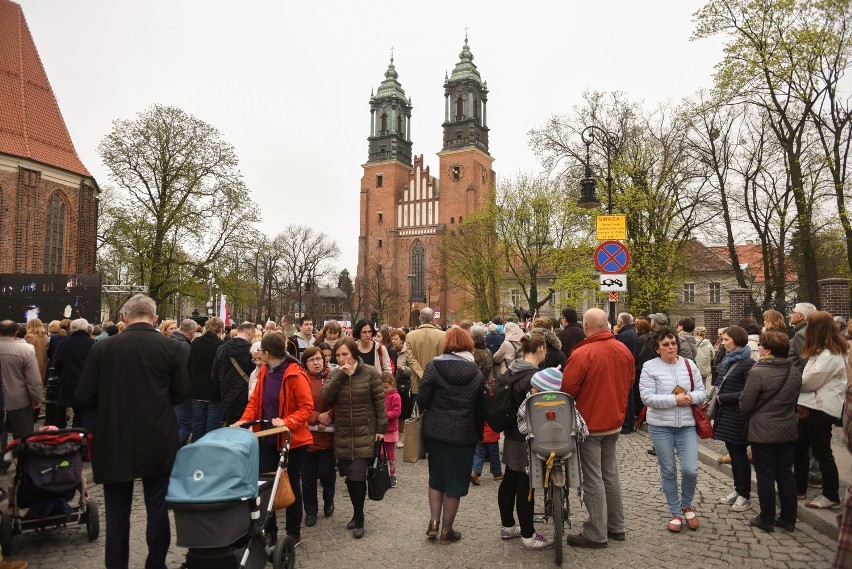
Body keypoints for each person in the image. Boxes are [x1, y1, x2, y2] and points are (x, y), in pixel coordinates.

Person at [75, 294, 190, 569]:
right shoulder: (170, 347)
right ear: (155, 318)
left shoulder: (103, 348)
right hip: (158, 436)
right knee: (158, 508)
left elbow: (83, 396)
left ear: (124, 318)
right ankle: (156, 564)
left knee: (116, 513)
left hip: (114, 438)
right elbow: (182, 393)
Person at [561, 308, 634, 548]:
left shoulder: (582, 353)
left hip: (590, 423)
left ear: (586, 326)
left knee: (593, 478)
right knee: (610, 474)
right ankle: (616, 526)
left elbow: (568, 390)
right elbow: (630, 381)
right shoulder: (623, 350)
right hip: (614, 421)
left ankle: (596, 532)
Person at [233, 332, 313, 546]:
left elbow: (306, 408)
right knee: (267, 486)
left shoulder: (295, 374)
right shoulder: (266, 371)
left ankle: (293, 533)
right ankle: (271, 532)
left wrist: (287, 421)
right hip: (267, 438)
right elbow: (255, 402)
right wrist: (243, 421)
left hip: (292, 440)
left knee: (291, 485)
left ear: (267, 353)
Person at [418, 327, 484, 544]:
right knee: (455, 482)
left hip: (436, 430)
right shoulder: (476, 372)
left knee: (436, 478)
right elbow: (479, 408)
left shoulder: (433, 366)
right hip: (463, 433)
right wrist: (478, 433)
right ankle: (447, 530)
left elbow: (423, 400)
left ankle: (433, 523)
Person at [639, 327, 705, 533]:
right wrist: (673, 399)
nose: (671, 347)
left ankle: (687, 505)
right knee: (668, 470)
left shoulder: (689, 364)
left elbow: (702, 392)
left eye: (673, 343)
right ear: (657, 348)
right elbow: (647, 397)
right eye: (666, 344)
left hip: (686, 425)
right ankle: (676, 511)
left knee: (690, 470)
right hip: (660, 426)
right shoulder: (650, 367)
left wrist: (690, 398)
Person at [321, 337, 386, 539]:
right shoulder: (334, 374)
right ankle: (357, 512)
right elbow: (326, 397)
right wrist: (340, 376)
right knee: (349, 477)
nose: (341, 359)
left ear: (353, 354)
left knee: (358, 475)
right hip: (343, 433)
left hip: (364, 431)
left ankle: (359, 518)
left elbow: (379, 403)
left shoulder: (370, 373)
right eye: (338, 355)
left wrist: (381, 428)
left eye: (345, 354)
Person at [739, 330, 802, 532]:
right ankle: (788, 519)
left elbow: (745, 405)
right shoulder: (794, 371)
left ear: (767, 350)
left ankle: (766, 518)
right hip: (787, 429)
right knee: (785, 474)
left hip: (763, 431)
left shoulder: (758, 372)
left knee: (765, 475)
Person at [497, 330, 554, 550]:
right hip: (527, 435)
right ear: (541, 349)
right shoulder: (536, 376)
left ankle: (508, 526)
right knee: (526, 485)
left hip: (511, 433)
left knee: (510, 478)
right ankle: (529, 535)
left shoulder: (513, 369)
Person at [795, 310, 848, 509]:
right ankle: (798, 488)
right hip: (811, 406)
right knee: (800, 449)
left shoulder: (831, 354)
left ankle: (831, 494)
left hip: (820, 408)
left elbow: (809, 382)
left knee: (821, 451)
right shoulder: (821, 351)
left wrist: (793, 382)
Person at [713, 325, 756, 512]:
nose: (723, 342)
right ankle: (738, 490)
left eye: (726, 339)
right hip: (726, 414)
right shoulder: (728, 360)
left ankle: (745, 495)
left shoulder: (748, 363)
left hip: (737, 415)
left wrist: (723, 398)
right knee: (733, 454)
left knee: (739, 456)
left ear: (737, 341)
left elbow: (748, 392)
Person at [300, 346, 335, 528]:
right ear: (305, 363)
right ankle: (311, 510)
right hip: (307, 437)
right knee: (308, 477)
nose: (316, 362)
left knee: (327, 473)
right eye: (312, 359)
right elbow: (296, 405)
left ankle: (329, 501)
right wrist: (316, 416)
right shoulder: (301, 380)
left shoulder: (333, 377)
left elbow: (341, 400)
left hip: (328, 435)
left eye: (319, 359)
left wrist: (329, 415)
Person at [0, 320, 42, 439]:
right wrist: (37, 398)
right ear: (16, 332)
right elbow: (33, 380)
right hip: (20, 401)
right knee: (23, 439)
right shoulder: (25, 352)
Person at [52, 318, 96, 431]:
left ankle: (65, 435)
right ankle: (81, 438)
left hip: (68, 382)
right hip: (87, 383)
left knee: (62, 412)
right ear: (87, 329)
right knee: (82, 414)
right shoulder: (93, 343)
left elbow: (56, 363)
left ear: (72, 329)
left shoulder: (64, 343)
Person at [189, 317, 225, 441]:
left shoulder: (196, 343)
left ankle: (195, 454)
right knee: (213, 427)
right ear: (221, 329)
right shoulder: (221, 345)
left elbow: (189, 365)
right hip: (215, 392)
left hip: (197, 390)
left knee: (197, 426)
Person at [214, 322, 255, 425]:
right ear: (250, 332)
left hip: (227, 394)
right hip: (246, 395)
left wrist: (223, 389)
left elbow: (214, 374)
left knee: (231, 425)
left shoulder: (222, 348)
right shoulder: (251, 350)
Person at [404, 308, 446, 405]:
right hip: (437, 381)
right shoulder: (443, 335)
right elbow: (444, 358)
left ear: (420, 318)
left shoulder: (410, 336)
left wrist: (422, 375)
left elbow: (411, 360)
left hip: (419, 382)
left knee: (419, 414)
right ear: (433, 319)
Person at [171, 319, 196, 445]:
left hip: (169, 389)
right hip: (181, 390)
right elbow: (184, 370)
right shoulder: (185, 346)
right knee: (185, 423)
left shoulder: (169, 340)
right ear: (191, 332)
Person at [615, 312, 640, 433]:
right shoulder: (632, 333)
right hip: (630, 368)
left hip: (624, 370)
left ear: (620, 322)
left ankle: (626, 425)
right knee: (629, 397)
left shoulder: (624, 335)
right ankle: (629, 424)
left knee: (626, 397)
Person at [389, 328, 412, 448]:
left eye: (396, 339)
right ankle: (393, 433)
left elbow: (411, 369)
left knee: (402, 412)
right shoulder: (390, 351)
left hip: (403, 385)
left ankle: (401, 435)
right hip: (391, 384)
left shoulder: (407, 351)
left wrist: (402, 369)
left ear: (402, 339)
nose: (393, 341)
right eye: (392, 339)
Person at [381, 372, 401, 488]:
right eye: (382, 387)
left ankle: (392, 474)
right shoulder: (381, 395)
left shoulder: (396, 396)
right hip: (381, 429)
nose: (384, 390)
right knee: (381, 453)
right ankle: (383, 473)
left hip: (391, 429)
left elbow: (396, 412)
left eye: (386, 387)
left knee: (391, 454)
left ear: (392, 384)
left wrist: (383, 415)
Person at [789, 302, 817, 371]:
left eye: (793, 312)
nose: (790, 315)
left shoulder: (801, 334)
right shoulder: (811, 330)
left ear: (800, 316)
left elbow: (807, 362)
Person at [23, 318, 48, 383]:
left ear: (29, 325)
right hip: (43, 363)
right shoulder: (45, 336)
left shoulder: (29, 337)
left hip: (33, 364)